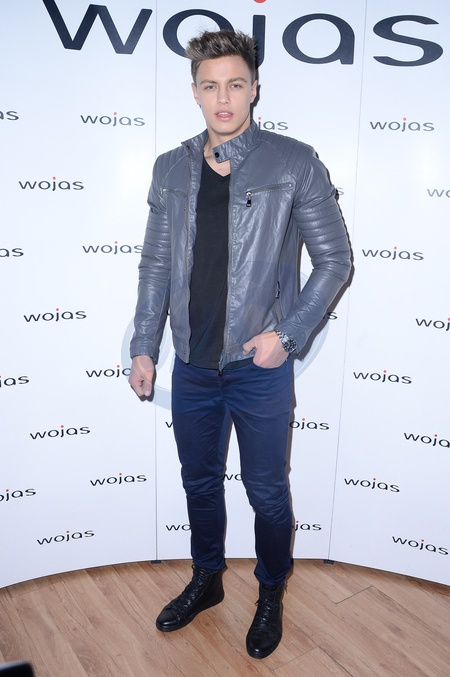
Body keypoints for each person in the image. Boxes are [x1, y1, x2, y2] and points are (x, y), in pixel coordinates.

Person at [129, 29, 351, 659]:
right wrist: (144, 344)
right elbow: (155, 266)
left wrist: (288, 335)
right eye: (210, 86)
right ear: (195, 92)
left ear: (255, 89)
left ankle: (271, 590)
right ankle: (207, 578)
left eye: (235, 84)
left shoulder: (294, 162)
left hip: (258, 367)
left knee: (267, 491)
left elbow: (335, 260)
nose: (222, 98)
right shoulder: (170, 168)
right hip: (192, 365)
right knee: (199, 484)